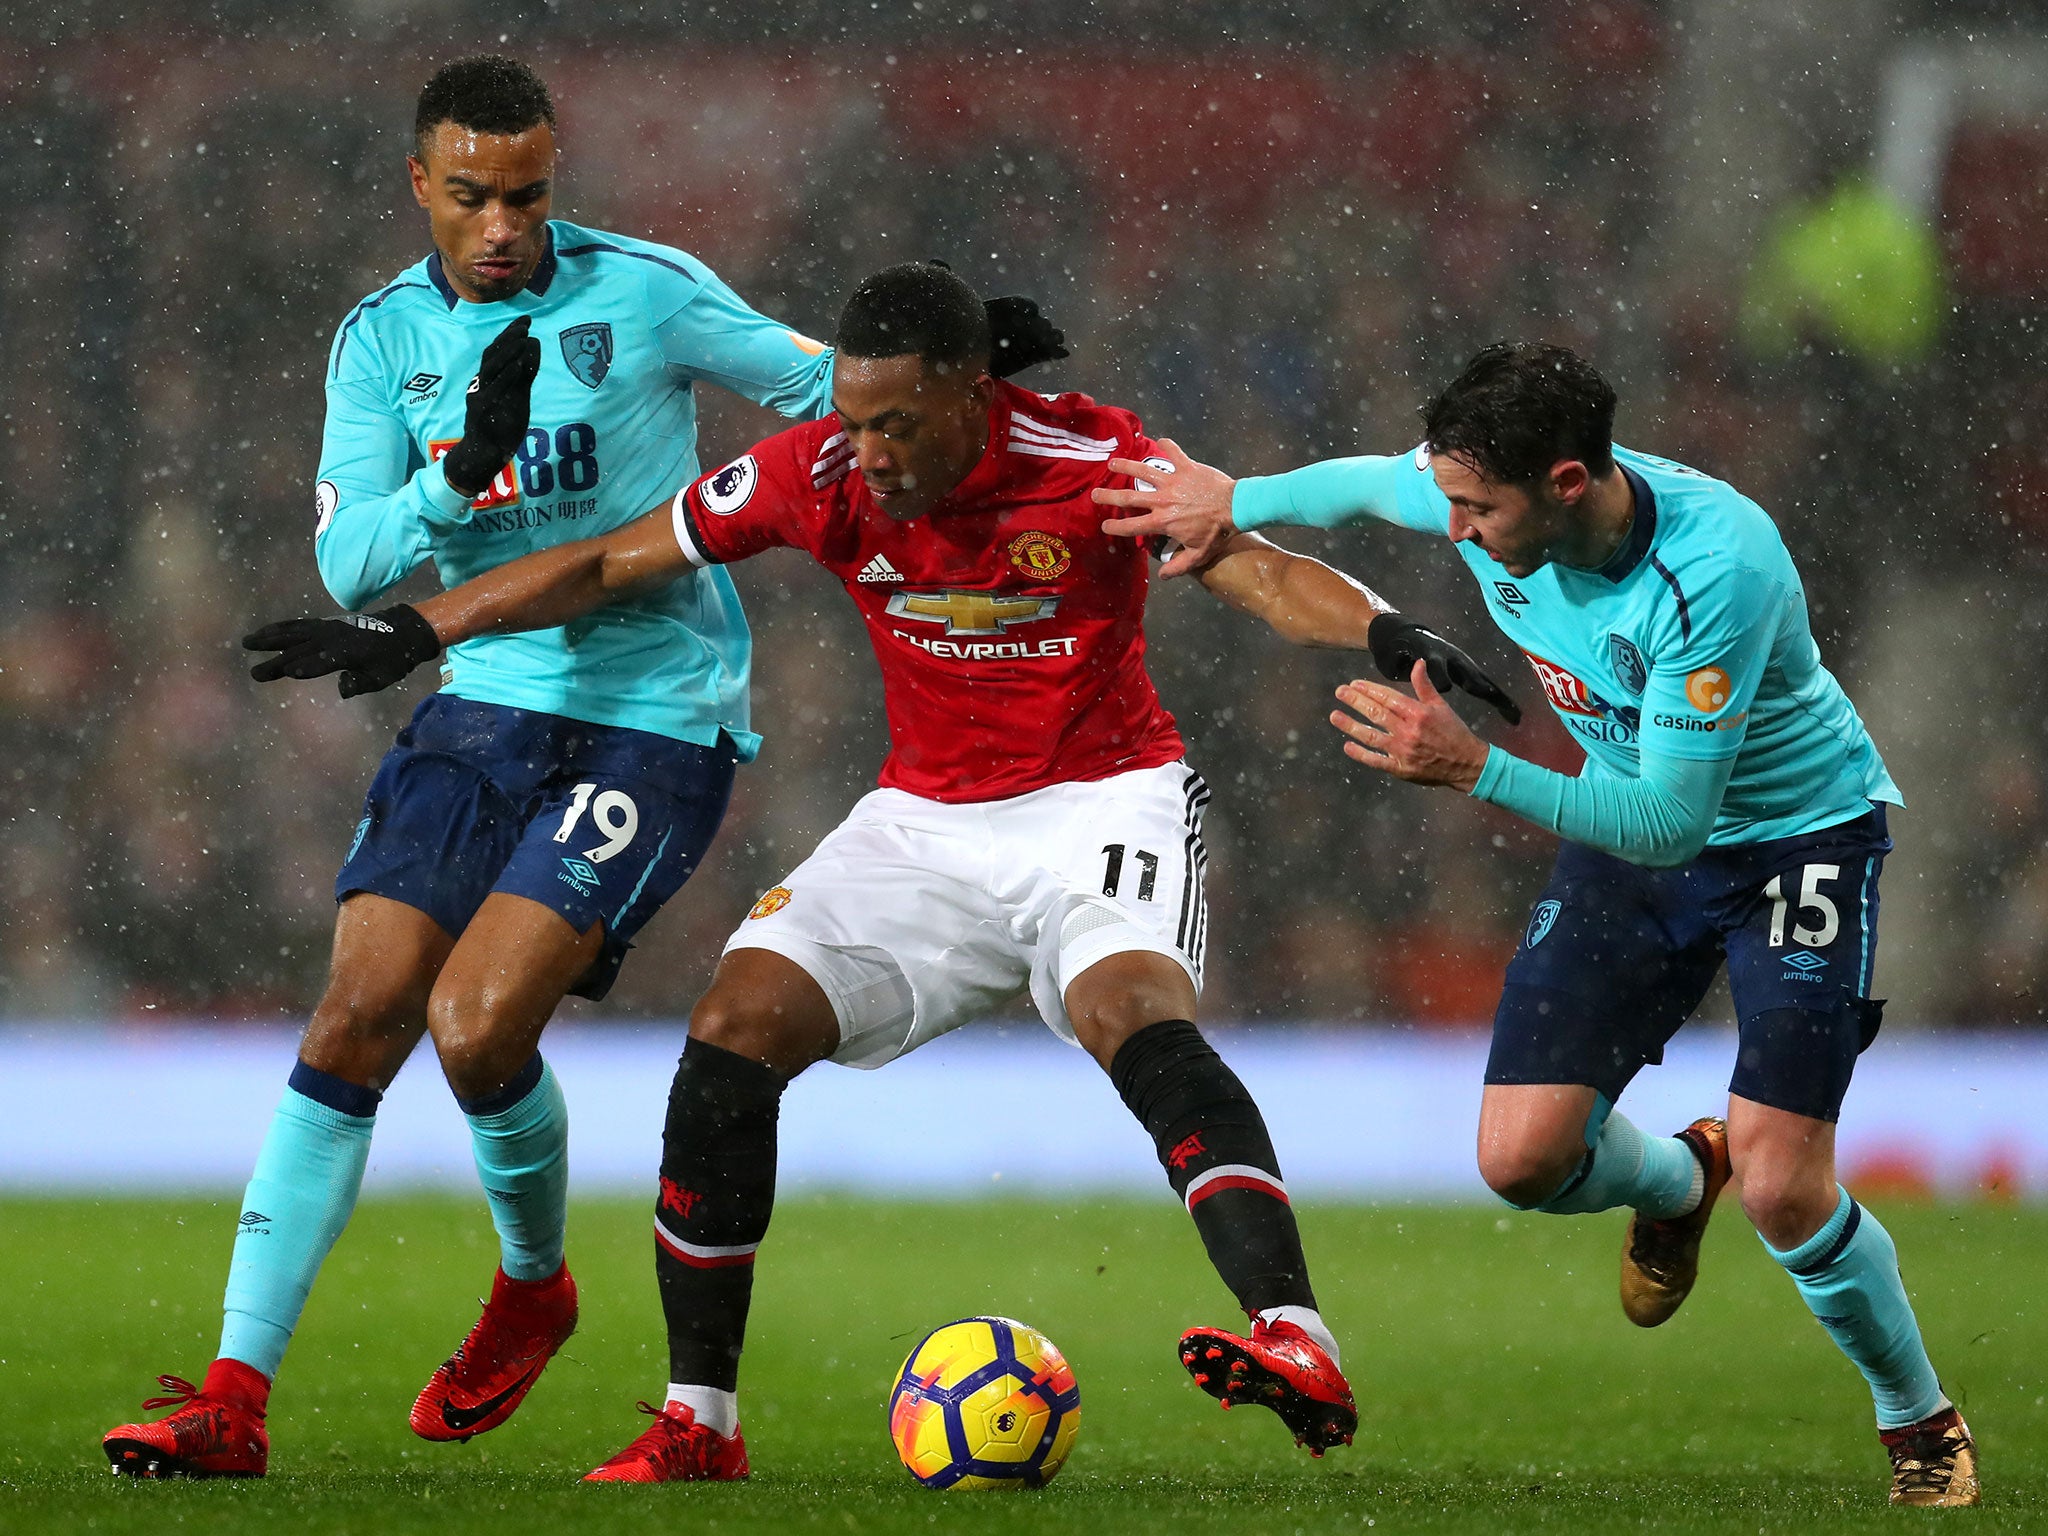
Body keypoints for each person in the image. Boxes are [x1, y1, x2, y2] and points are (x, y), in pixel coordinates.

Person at [242, 261, 1519, 1482]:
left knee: (1128, 1011)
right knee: (733, 1028)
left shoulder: (1091, 462)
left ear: (976, 393)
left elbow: (1250, 564)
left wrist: (1383, 624)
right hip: (920, 822)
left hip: (1098, 798)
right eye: (856, 425)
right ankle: (700, 1420)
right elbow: (604, 559)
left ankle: (1297, 1337)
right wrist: (415, 625)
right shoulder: (815, 473)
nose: (874, 455)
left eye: (901, 425)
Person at [101, 59, 1065, 1481]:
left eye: (531, 193)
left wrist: (957, 369)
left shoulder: (646, 291)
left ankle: (532, 1286)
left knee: (478, 1029)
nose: (506, 224)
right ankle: (233, 1398)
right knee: (358, 1016)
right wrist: (454, 477)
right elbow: (352, 561)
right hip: (482, 700)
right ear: (420, 186)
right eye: (475, 195)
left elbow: (818, 388)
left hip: (655, 711)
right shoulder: (380, 344)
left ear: (557, 179)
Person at [1091, 341, 1978, 1509]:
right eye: (1449, 499)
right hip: (1628, 826)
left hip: (1787, 841)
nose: (1452, 530)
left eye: (1475, 508)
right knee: (1519, 1160)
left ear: (1567, 483)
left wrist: (1475, 770)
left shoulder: (1713, 571)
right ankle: (1672, 1185)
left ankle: (1917, 1421)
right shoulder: (1485, 485)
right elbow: (1363, 481)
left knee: (1783, 1186)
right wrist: (1235, 501)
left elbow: (1673, 820)